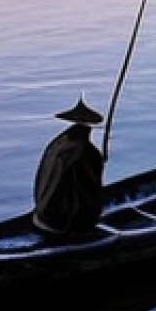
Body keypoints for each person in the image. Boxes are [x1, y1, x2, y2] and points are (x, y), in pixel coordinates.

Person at [33, 97, 105, 235]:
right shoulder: (85, 151)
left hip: (43, 214)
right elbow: (91, 188)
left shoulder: (56, 144)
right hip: (65, 222)